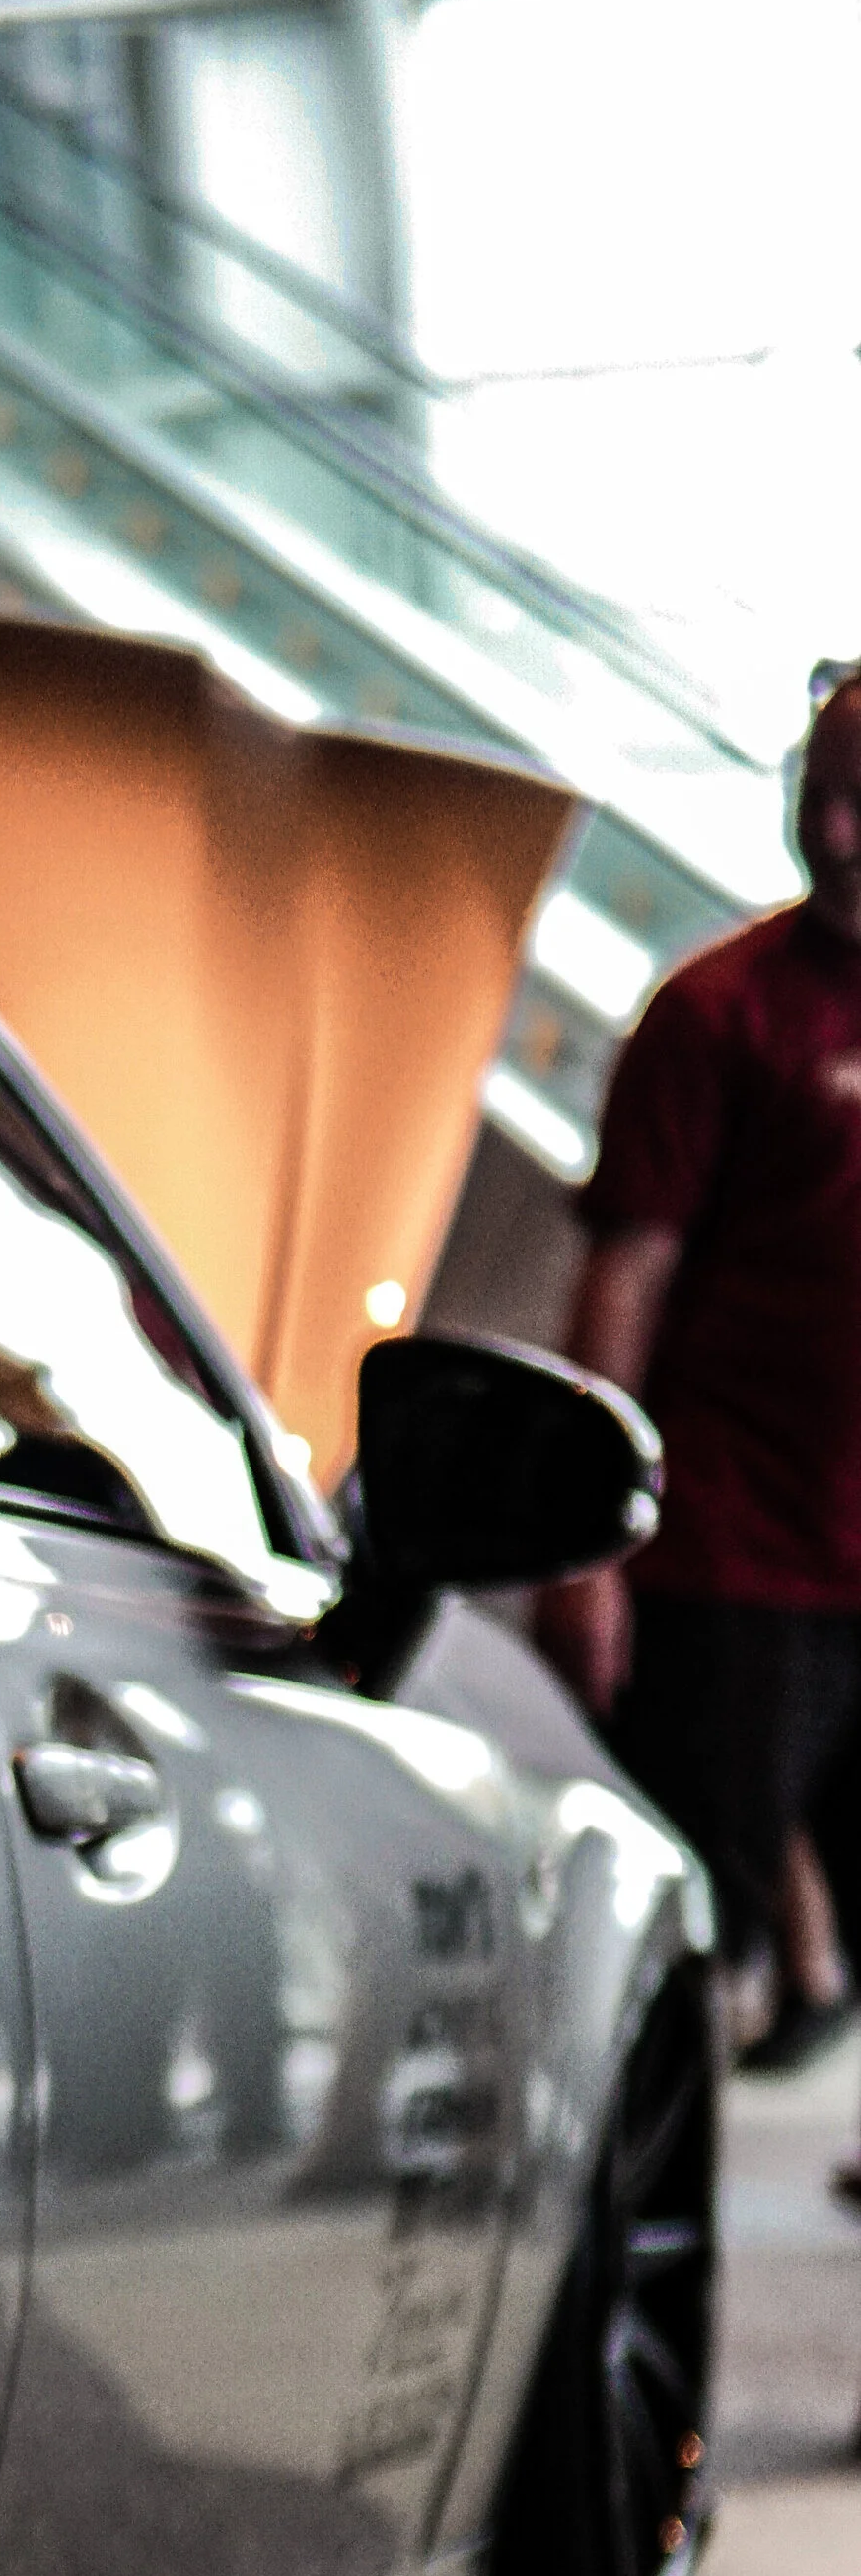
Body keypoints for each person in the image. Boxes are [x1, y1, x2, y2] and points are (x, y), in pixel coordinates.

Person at [540, 671, 861, 2068]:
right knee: (707, 1912)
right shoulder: (719, 1011)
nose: (841, 834)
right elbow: (629, 1268)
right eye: (821, 797)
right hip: (738, 1548)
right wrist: (581, 1545)